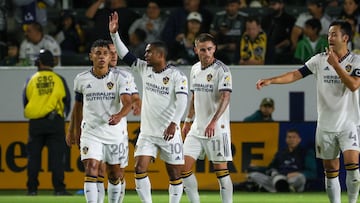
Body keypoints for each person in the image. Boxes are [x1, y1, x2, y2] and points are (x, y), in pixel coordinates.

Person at [256, 20, 360, 203]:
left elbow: (353, 85)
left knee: (352, 166)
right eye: (329, 34)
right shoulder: (320, 59)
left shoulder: (356, 61)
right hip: (326, 125)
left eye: (334, 34)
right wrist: (271, 80)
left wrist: (336, 65)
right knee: (331, 170)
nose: (330, 38)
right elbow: (295, 74)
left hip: (349, 123)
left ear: (345, 37)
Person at [109, 11, 189, 203]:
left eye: (148, 52)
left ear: (160, 55)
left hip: (169, 132)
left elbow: (182, 102)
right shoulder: (145, 69)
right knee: (139, 168)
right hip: (147, 133)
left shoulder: (178, 76)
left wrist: (174, 123)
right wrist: (114, 34)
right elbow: (124, 54)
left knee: (174, 174)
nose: (145, 55)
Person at [66, 40, 141, 203]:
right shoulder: (81, 79)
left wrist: (120, 115)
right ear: (91, 56)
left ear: (109, 58)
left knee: (115, 174)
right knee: (92, 168)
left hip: (114, 133)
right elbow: (78, 106)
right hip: (91, 132)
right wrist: (73, 130)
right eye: (98, 53)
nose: (102, 57)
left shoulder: (121, 77)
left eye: (105, 54)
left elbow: (128, 102)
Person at [181, 33, 233, 203]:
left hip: (217, 129)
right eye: (202, 49)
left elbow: (226, 98)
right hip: (197, 128)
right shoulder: (195, 69)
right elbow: (194, 96)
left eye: (210, 49)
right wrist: (188, 121)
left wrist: (213, 122)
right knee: (183, 168)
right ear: (196, 50)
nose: (207, 53)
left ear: (214, 49)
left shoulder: (222, 70)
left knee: (221, 172)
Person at [22, 49, 71, 196]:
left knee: (33, 158)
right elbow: (67, 101)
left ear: (39, 62)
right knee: (57, 158)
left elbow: (25, 101)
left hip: (35, 123)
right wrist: (60, 117)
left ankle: (32, 190)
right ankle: (59, 189)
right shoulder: (59, 79)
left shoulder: (31, 79)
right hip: (55, 122)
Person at [247, 129, 317, 192]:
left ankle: (279, 188)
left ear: (299, 139)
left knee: (300, 178)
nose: (291, 139)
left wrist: (298, 173)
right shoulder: (281, 153)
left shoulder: (306, 152)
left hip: (293, 178)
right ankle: (285, 188)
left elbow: (312, 173)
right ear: (286, 139)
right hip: (278, 177)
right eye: (289, 137)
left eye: (294, 137)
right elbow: (270, 168)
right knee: (253, 175)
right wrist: (258, 168)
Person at [210, 0, 247, 65]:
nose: (229, 8)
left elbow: (248, 35)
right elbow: (211, 35)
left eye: (232, 6)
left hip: (240, 49)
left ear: (238, 5)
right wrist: (220, 32)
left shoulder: (244, 18)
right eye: (227, 6)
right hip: (221, 49)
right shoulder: (219, 17)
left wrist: (238, 46)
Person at [261, 0, 295, 64]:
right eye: (270, 5)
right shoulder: (266, 19)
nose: (271, 7)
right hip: (266, 49)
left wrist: (275, 48)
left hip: (282, 50)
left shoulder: (289, 19)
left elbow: (288, 41)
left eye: (273, 4)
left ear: (281, 5)